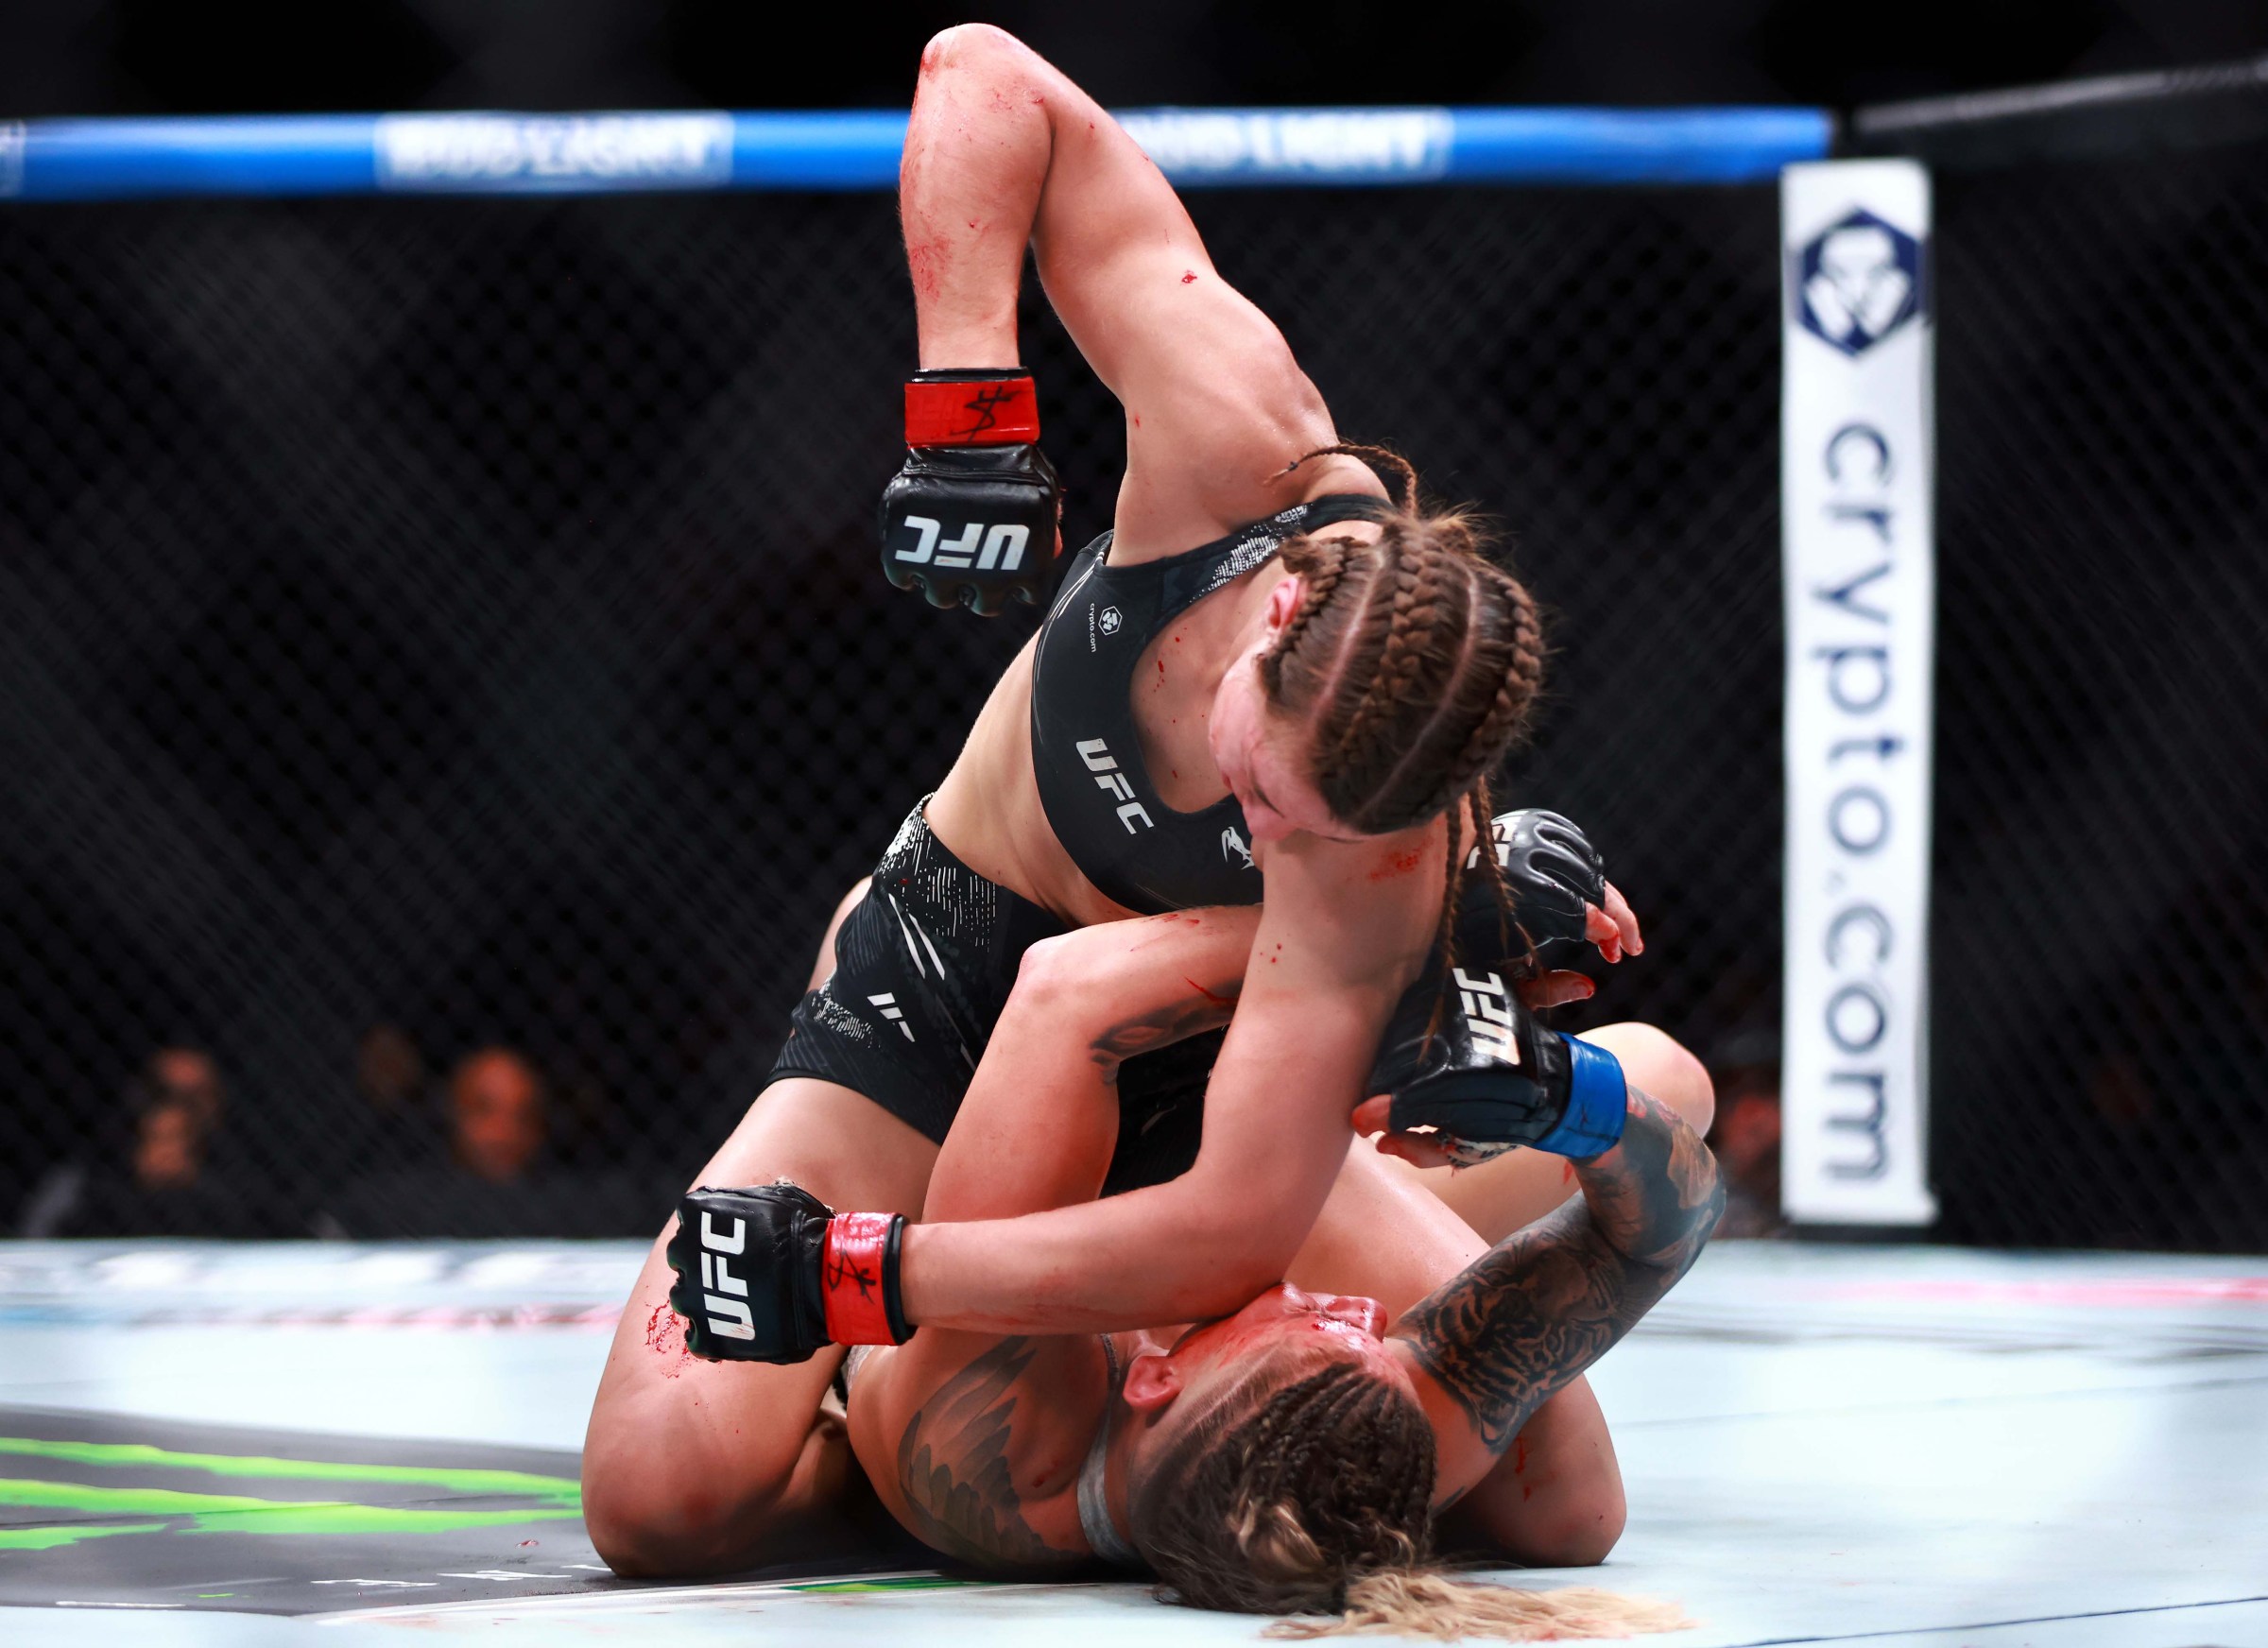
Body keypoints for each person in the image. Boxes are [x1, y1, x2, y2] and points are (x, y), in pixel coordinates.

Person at [583, 24, 1654, 1574]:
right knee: (663, 1496)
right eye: (1270, 785)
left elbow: (1225, 1212)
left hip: (1185, 1078)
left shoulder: (1382, 850)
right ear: (1275, 620)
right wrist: (969, 405)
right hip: (938, 995)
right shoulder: (1243, 452)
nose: (1269, 833)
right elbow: (982, 76)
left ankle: (995, 1405)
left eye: (1318, 831)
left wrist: (868, 1276)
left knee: (1553, 1502)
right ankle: (874, 1442)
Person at [724, 908, 1721, 1631]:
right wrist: (1562, 1099)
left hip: (971, 1102)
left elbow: (1065, 990)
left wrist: (1421, 947)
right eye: (1368, 1333)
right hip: (1188, 1164)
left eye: (1307, 1317)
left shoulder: (1004, 1430)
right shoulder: (1373, 1422)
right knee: (1662, 1092)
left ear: (1156, 1370)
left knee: (666, 1499)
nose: (1351, 1310)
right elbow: (1661, 1226)